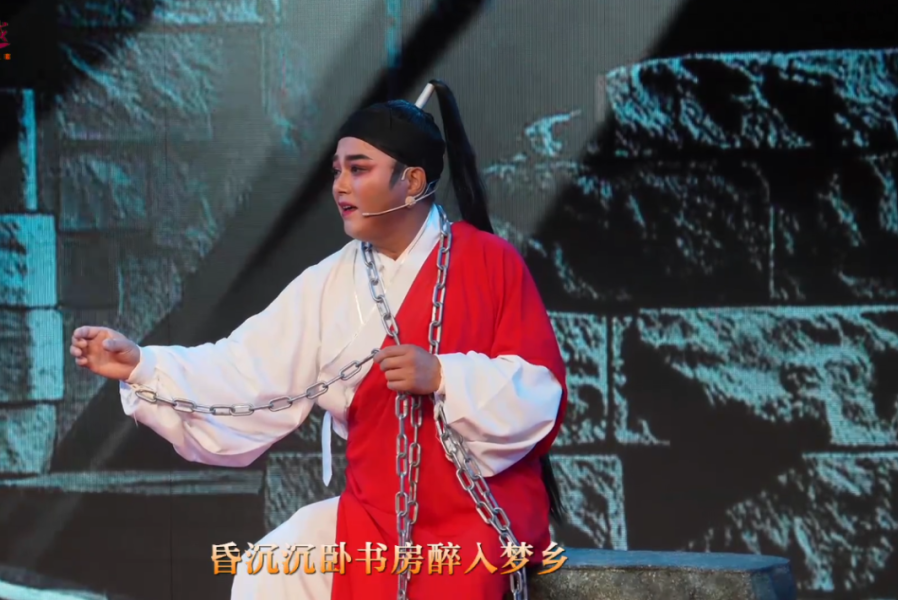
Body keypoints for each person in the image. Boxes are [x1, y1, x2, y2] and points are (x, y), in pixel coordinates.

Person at [70, 79, 568, 600]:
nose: (340, 186)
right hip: (375, 512)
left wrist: (444, 376)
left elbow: (538, 389)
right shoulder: (329, 282)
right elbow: (245, 367)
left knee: (457, 578)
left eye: (359, 169)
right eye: (337, 171)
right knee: (270, 570)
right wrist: (142, 366)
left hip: (476, 509)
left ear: (412, 180)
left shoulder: (490, 262)